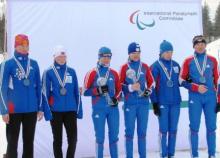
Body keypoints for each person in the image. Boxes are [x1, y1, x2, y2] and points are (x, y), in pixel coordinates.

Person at [0, 34, 44, 158]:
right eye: (22, 45)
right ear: (16, 46)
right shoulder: (7, 64)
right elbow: (2, 88)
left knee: (29, 142)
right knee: (12, 142)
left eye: (27, 45)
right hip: (13, 110)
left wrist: (40, 107)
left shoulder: (34, 64)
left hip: (31, 109)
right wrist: (4, 110)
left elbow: (39, 86)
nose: (25, 48)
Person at [179, 35, 220, 158]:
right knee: (194, 127)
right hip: (195, 97)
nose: (200, 45)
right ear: (194, 46)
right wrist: (196, 87)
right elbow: (180, 80)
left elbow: (218, 80)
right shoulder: (188, 61)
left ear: (205, 45)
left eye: (202, 43)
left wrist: (219, 99)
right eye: (197, 43)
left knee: (212, 127)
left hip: (210, 98)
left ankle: (212, 154)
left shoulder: (213, 60)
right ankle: (194, 155)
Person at [42, 45, 83, 158]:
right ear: (54, 57)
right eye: (59, 56)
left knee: (73, 139)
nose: (62, 58)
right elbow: (45, 93)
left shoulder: (71, 71)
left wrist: (79, 110)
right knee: (58, 140)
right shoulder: (48, 72)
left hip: (71, 110)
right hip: (55, 111)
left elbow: (76, 92)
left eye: (64, 56)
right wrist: (47, 112)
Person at [83, 47, 121, 158]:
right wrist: (97, 91)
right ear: (99, 57)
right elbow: (85, 91)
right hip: (98, 109)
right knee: (100, 137)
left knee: (114, 136)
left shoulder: (114, 73)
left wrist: (116, 99)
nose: (106, 59)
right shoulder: (92, 72)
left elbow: (119, 91)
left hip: (113, 109)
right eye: (104, 56)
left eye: (108, 57)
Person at [119, 42, 154, 158]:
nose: (136, 55)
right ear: (129, 53)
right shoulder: (124, 67)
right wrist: (130, 87)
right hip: (130, 104)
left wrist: (148, 91)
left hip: (143, 104)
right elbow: (118, 85)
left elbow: (152, 82)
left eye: (138, 53)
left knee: (142, 133)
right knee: (129, 133)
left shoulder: (145, 67)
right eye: (133, 53)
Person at [150, 40, 181, 158]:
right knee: (164, 130)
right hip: (162, 103)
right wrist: (155, 103)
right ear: (161, 52)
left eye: (171, 52)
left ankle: (171, 154)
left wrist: (188, 80)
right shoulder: (155, 66)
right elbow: (151, 86)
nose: (169, 54)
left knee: (173, 130)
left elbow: (181, 81)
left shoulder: (176, 65)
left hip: (175, 102)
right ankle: (163, 154)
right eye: (167, 52)